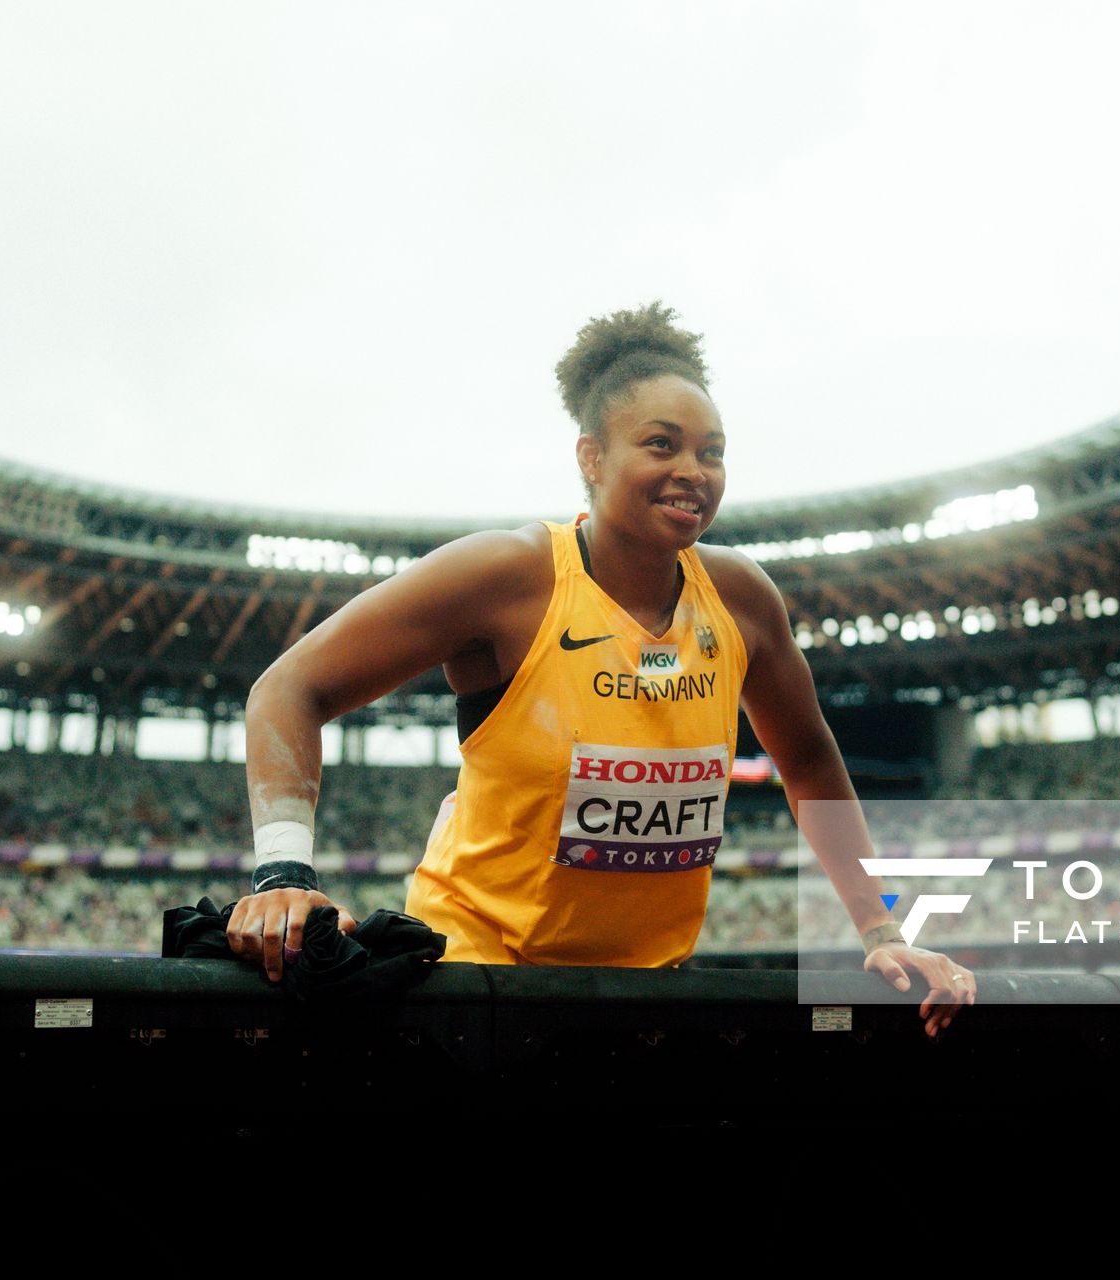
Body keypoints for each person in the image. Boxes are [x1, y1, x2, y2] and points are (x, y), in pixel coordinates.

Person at [228, 302, 975, 1037]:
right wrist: (283, 877)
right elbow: (288, 689)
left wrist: (883, 930)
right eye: (661, 444)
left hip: (644, 1000)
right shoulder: (511, 578)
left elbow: (809, 760)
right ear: (591, 457)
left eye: (711, 452)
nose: (692, 471)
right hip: (475, 987)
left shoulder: (742, 601)